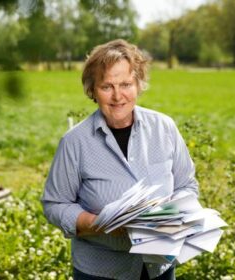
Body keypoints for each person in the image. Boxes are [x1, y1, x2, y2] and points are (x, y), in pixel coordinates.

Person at [41, 39, 199, 280]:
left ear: (138, 85)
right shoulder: (75, 142)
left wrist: (169, 214)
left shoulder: (164, 128)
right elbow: (54, 204)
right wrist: (97, 224)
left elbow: (187, 185)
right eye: (107, 87)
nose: (118, 96)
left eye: (126, 84)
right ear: (92, 90)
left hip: (160, 267)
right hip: (101, 271)